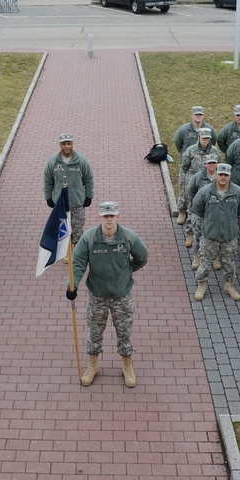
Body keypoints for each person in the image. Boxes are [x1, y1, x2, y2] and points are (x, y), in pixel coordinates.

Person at [68, 201, 148, 389]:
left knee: (124, 331)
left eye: (112, 216)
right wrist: (73, 285)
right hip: (97, 296)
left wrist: (127, 272)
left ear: (118, 216)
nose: (109, 219)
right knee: (94, 332)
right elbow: (78, 262)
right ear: (100, 217)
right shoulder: (88, 238)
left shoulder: (129, 237)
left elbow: (142, 257)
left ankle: (127, 364)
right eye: (106, 216)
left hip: (122, 296)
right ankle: (93, 365)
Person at [191, 163, 240, 302]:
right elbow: (198, 209)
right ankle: (201, 284)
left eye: (226, 175)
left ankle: (229, 285)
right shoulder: (205, 192)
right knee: (205, 262)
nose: (223, 177)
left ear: (230, 176)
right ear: (216, 175)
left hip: (230, 235)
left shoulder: (238, 192)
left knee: (229, 263)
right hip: (210, 235)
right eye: (220, 174)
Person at [43, 133, 95, 247]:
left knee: (77, 231)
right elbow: (48, 181)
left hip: (77, 203)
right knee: (62, 231)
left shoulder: (81, 161)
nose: (66, 146)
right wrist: (48, 198)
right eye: (64, 144)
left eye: (69, 143)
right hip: (59, 204)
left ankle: (76, 253)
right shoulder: (52, 162)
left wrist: (89, 196)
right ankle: (66, 251)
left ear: (72, 144)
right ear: (60, 145)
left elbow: (89, 179)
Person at [177, 128, 220, 234]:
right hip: (195, 182)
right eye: (203, 138)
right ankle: (190, 232)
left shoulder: (214, 151)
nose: (205, 141)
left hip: (209, 182)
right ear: (198, 138)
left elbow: (218, 165)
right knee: (192, 207)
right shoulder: (191, 150)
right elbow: (185, 165)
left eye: (207, 139)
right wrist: (192, 178)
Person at [185, 154, 219, 270]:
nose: (212, 165)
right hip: (200, 213)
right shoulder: (197, 177)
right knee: (198, 235)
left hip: (215, 213)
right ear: (205, 164)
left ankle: (214, 257)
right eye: (209, 163)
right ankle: (196, 256)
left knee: (215, 236)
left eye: (214, 163)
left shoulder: (221, 177)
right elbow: (191, 192)